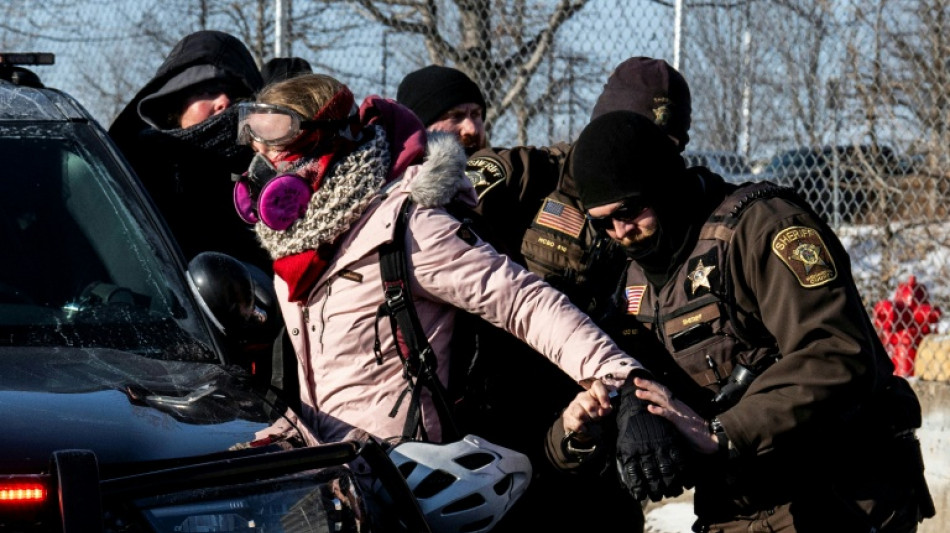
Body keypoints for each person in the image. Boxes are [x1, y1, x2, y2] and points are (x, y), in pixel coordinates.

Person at [231, 73, 690, 529]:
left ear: (324, 152)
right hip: (336, 490)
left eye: (275, 157)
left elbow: (525, 303)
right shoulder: (297, 247)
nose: (263, 174)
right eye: (259, 158)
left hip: (408, 493)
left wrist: (624, 380)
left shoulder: (407, 226)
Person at [553, 109, 935, 532]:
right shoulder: (633, 276)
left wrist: (724, 432)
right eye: (602, 221)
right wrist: (607, 420)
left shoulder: (762, 228)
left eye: (629, 210)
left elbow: (836, 353)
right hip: (738, 503)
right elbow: (622, 373)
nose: (621, 231)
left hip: (838, 491)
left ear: (662, 183)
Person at [109, 30, 271, 272]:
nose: (223, 102)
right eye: (207, 90)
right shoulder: (136, 174)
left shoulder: (270, 173)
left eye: (235, 94)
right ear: (175, 103)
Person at [396, 64, 488, 155]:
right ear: (422, 128)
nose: (472, 129)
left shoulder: (499, 165)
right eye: (456, 116)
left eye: (475, 114)